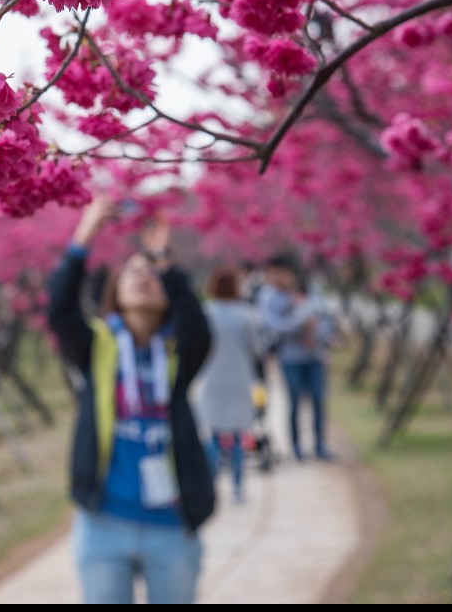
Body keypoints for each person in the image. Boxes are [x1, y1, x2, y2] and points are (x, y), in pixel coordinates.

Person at [46, 196, 214, 605]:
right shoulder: (99, 348)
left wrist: (163, 259)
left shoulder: (178, 353)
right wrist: (84, 236)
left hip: (172, 527)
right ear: (115, 293)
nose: (143, 277)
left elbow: (198, 327)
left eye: (152, 275)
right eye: (132, 273)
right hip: (104, 525)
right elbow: (60, 310)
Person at [195, 267, 268, 504]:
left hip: (212, 378)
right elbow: (258, 349)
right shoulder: (247, 315)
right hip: (239, 380)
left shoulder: (205, 313)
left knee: (214, 434)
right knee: (237, 437)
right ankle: (238, 489)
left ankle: (211, 486)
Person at [257, 253, 336, 462]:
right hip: (290, 357)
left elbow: (326, 321)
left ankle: (319, 444)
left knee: (319, 400)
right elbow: (274, 326)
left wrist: (316, 335)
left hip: (315, 355)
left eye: (280, 274)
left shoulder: (310, 291)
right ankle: (296, 447)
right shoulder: (269, 297)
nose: (277, 279)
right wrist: (302, 326)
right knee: (294, 401)